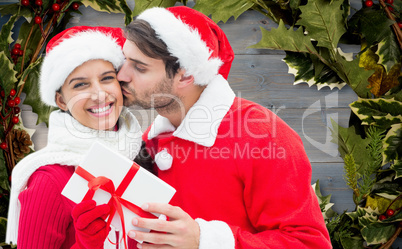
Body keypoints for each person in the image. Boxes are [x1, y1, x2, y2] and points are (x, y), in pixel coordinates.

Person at [116, 6, 332, 249]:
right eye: (124, 59)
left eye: (139, 67)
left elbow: (308, 243)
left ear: (185, 76)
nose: (121, 75)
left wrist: (205, 241)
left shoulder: (263, 136)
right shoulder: (148, 142)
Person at [6, 26, 144, 249]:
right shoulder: (50, 180)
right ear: (61, 101)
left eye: (107, 78)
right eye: (80, 84)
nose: (99, 94)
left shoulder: (141, 157)